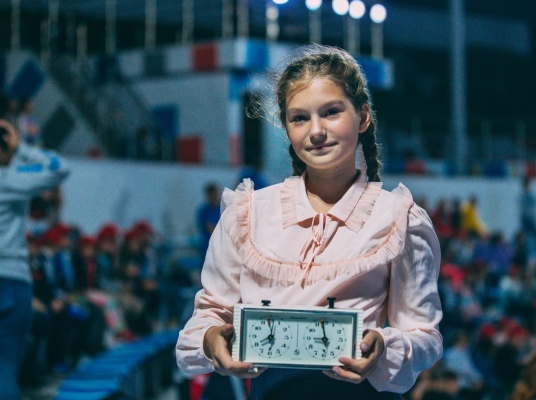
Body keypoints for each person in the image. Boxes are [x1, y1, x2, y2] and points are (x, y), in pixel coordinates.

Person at [176, 44, 443, 399]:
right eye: (299, 118)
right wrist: (212, 339)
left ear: (363, 116)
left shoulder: (399, 219)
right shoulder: (246, 215)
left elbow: (425, 336)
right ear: (286, 127)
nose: (316, 131)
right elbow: (210, 313)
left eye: (331, 112)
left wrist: (382, 346)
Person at [0, 119, 70, 399]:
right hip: (11, 281)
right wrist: (21, 148)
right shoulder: (11, 178)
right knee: (6, 367)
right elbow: (59, 168)